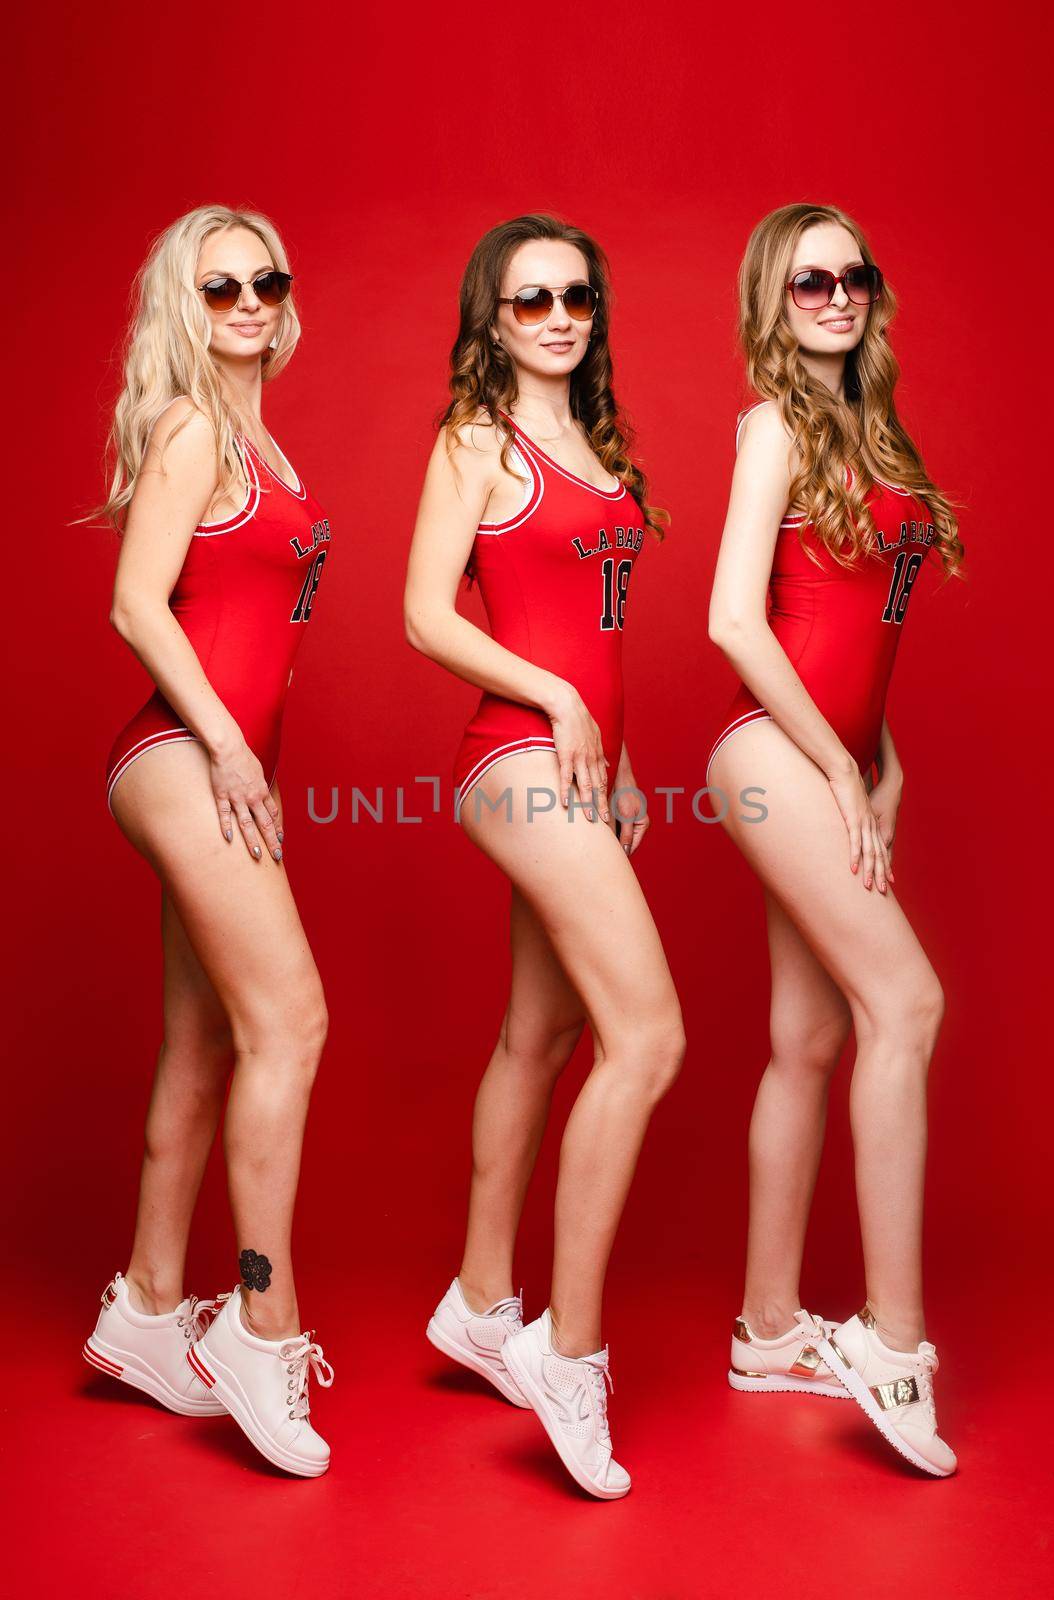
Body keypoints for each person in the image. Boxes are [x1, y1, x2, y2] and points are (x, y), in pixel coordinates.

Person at [405, 214, 685, 1499]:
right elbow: (420, 612)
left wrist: (616, 754)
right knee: (650, 1036)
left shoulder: (600, 444)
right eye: (529, 302)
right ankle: (566, 1354)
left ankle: (475, 1302)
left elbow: (602, 631)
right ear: (492, 319)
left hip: (580, 765)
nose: (557, 317)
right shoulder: (479, 439)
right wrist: (565, 707)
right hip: (511, 757)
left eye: (575, 296)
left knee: (544, 1037)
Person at [706, 203, 964, 1477]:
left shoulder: (872, 431)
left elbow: (861, 629)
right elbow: (736, 626)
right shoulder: (771, 427)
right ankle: (893, 1339)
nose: (838, 293)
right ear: (773, 298)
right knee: (904, 1004)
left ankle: (765, 1327)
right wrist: (834, 769)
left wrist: (882, 761)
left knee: (807, 1038)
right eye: (810, 279)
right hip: (771, 754)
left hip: (837, 761)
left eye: (855, 272)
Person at [85, 204, 334, 1478]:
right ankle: (257, 1319)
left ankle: (139, 1307)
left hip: (215, 763)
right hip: (185, 756)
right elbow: (139, 599)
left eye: (265, 281)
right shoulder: (192, 426)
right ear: (185, 303)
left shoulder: (262, 439)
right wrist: (231, 749)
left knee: (200, 1043)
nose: (246, 301)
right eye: (218, 283)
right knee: (290, 1023)